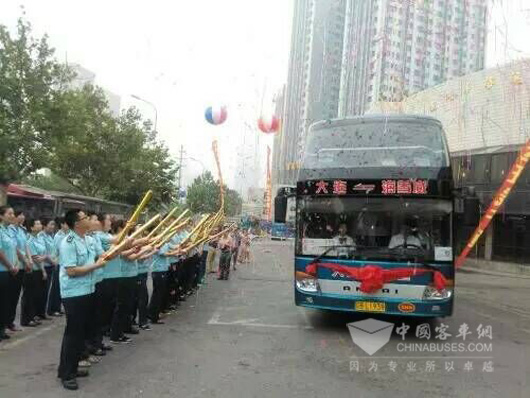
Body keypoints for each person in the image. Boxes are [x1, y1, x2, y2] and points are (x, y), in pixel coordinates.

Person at [57, 209, 108, 390]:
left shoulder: (87, 239)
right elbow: (71, 271)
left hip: (88, 289)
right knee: (73, 334)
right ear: (77, 223)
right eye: (85, 217)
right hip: (73, 294)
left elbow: (99, 257)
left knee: (80, 334)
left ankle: (69, 367)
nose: (89, 219)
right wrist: (96, 265)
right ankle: (66, 374)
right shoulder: (68, 242)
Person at [0, 206, 20, 341]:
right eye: (9, 213)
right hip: (2, 270)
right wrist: (11, 266)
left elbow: (15, 249)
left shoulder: (9, 230)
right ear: (1, 216)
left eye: (13, 213)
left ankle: (2, 329)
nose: (12, 216)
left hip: (11, 270)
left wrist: (16, 265)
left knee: (6, 302)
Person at [24, 219, 49, 326]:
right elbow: (36, 258)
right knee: (29, 296)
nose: (40, 225)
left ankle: (33, 316)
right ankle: (26, 319)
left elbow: (42, 255)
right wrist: (43, 268)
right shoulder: (29, 240)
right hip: (32, 271)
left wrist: (44, 259)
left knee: (36, 295)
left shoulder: (38, 238)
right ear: (31, 227)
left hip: (39, 270)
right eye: (37, 224)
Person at [38, 218, 57, 320]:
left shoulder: (51, 236)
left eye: (53, 225)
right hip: (44, 267)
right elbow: (43, 252)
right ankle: (38, 313)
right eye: (50, 225)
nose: (52, 227)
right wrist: (53, 261)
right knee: (41, 291)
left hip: (51, 267)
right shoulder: (41, 236)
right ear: (44, 226)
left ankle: (42, 312)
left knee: (46, 292)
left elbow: (53, 251)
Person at [48, 217, 68, 316]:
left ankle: (57, 307)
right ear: (62, 225)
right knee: (55, 288)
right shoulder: (59, 236)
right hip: (59, 263)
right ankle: (52, 309)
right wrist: (55, 262)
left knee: (60, 287)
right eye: (66, 224)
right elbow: (55, 251)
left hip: (64, 263)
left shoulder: (67, 235)